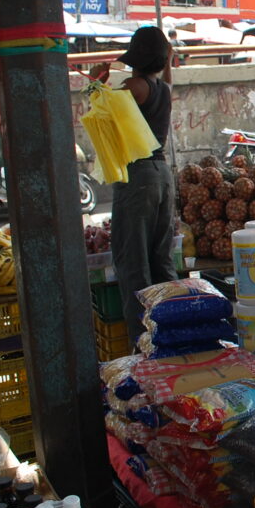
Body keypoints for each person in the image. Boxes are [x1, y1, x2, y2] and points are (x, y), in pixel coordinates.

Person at [90, 26, 178, 341]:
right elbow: (168, 75)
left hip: (137, 176)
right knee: (161, 259)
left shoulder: (133, 85)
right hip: (161, 175)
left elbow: (102, 112)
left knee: (133, 264)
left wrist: (95, 82)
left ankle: (142, 343)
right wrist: (169, 57)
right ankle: (174, 332)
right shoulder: (163, 88)